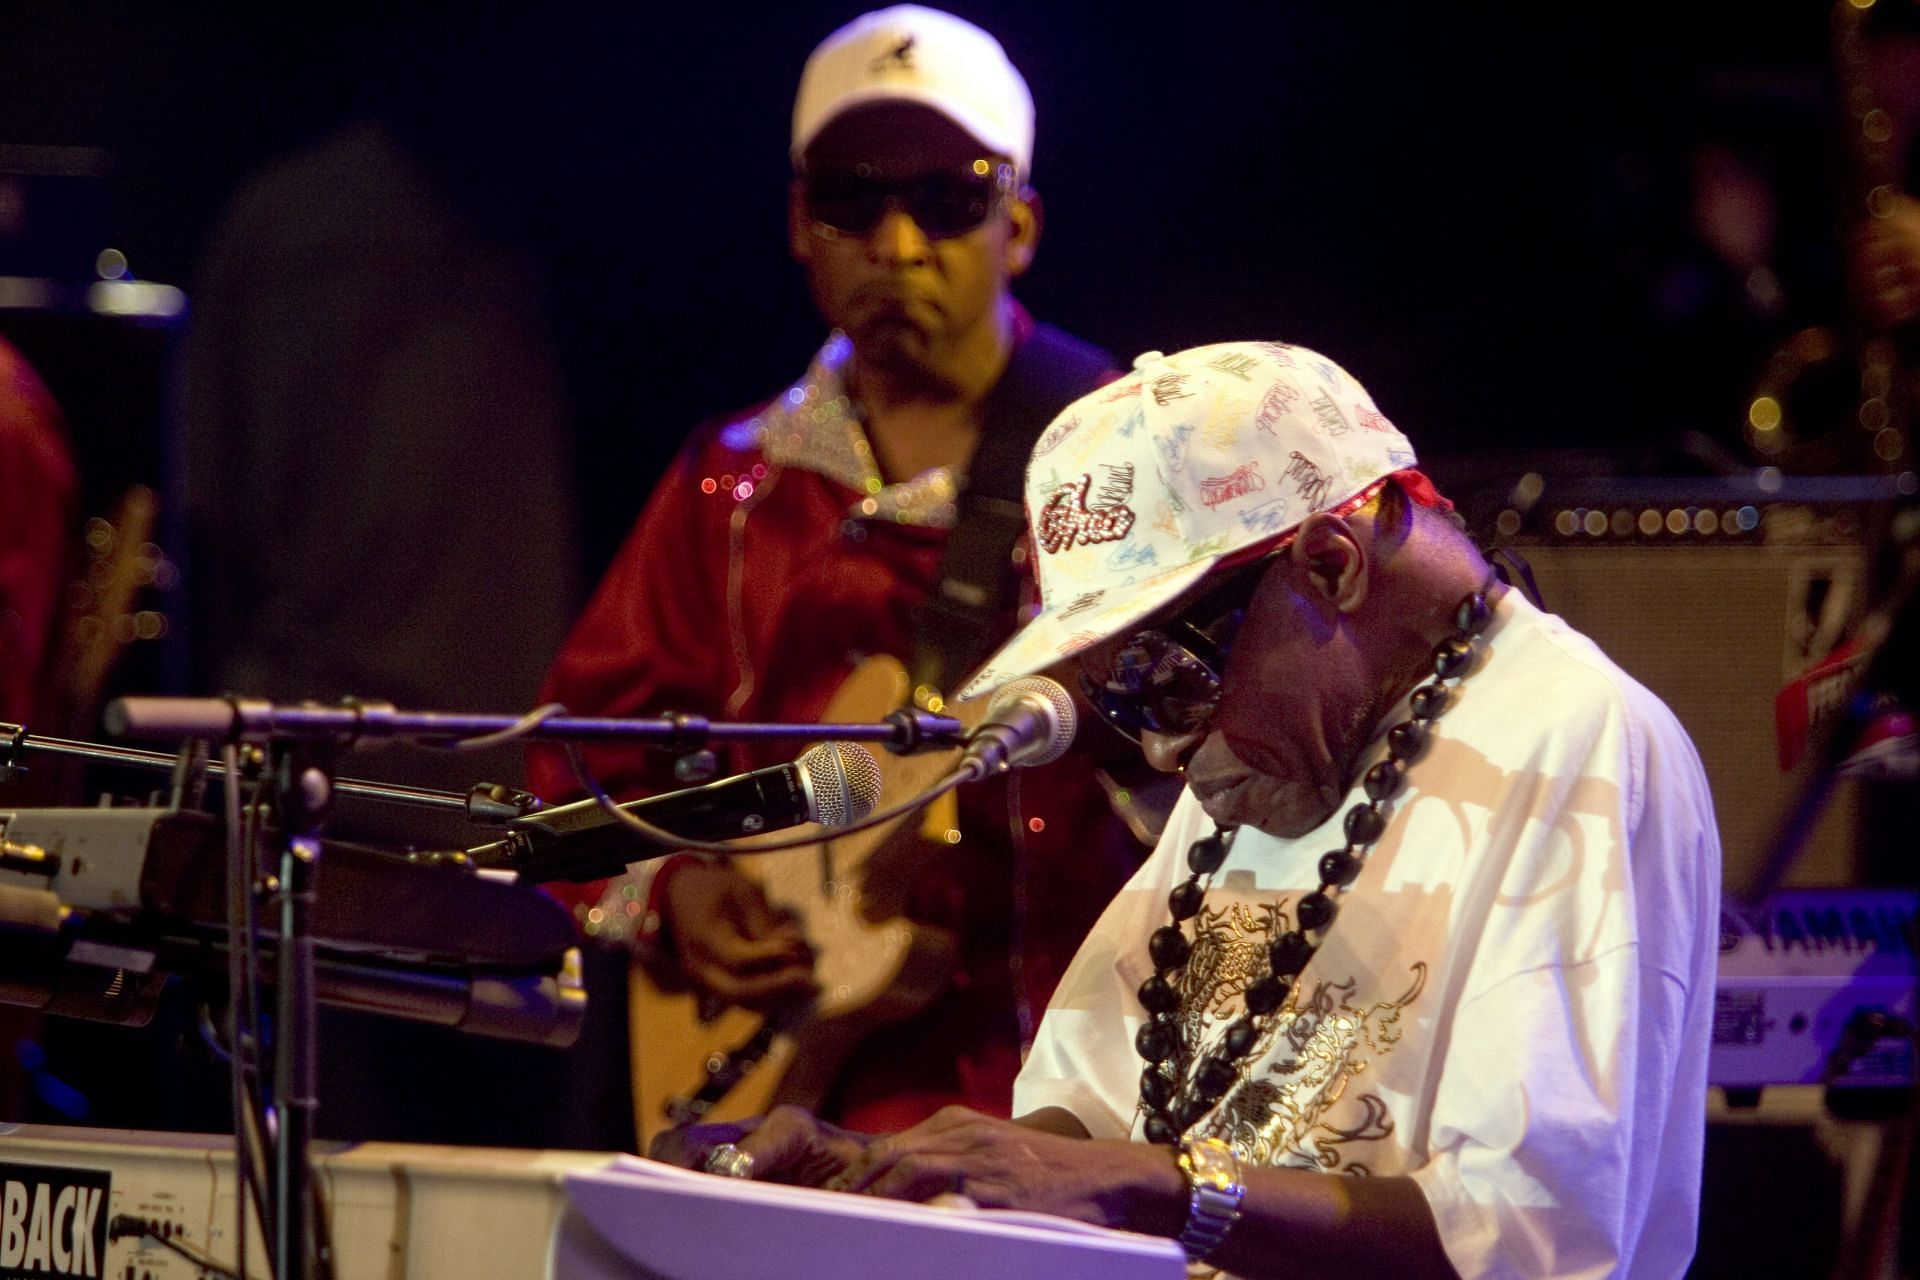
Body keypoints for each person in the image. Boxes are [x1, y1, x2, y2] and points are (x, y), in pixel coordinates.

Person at [658, 341, 1723, 1280]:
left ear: (1332, 562)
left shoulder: (1573, 738)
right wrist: (883, 1178)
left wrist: (1165, 1190)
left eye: (1161, 679)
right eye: (1119, 698)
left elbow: (1528, 1236)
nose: (1158, 742)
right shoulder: (1278, 747)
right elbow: (1085, 1124)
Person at [529, 5, 1148, 1138]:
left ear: (1020, 223)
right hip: (771, 1094)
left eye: (949, 199)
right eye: (853, 198)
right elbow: (576, 761)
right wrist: (673, 887)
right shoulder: (731, 483)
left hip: (1066, 1098)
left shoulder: (1134, 462)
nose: (898, 242)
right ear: (800, 224)